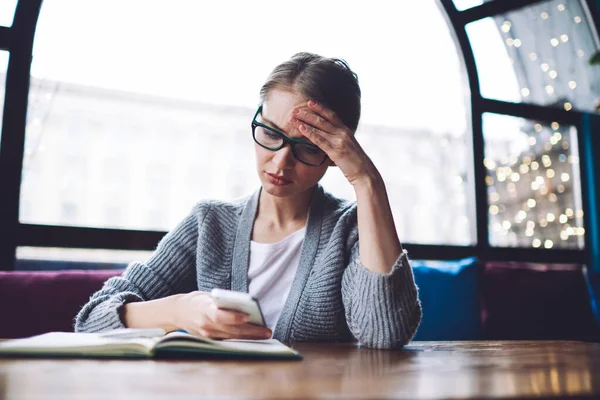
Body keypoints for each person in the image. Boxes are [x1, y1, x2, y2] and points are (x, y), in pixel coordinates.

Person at [75, 52, 422, 349]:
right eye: (270, 133)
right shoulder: (209, 224)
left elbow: (384, 333)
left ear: (336, 153)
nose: (280, 161)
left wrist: (367, 181)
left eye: (308, 148)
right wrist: (179, 311)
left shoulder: (349, 229)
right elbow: (93, 320)